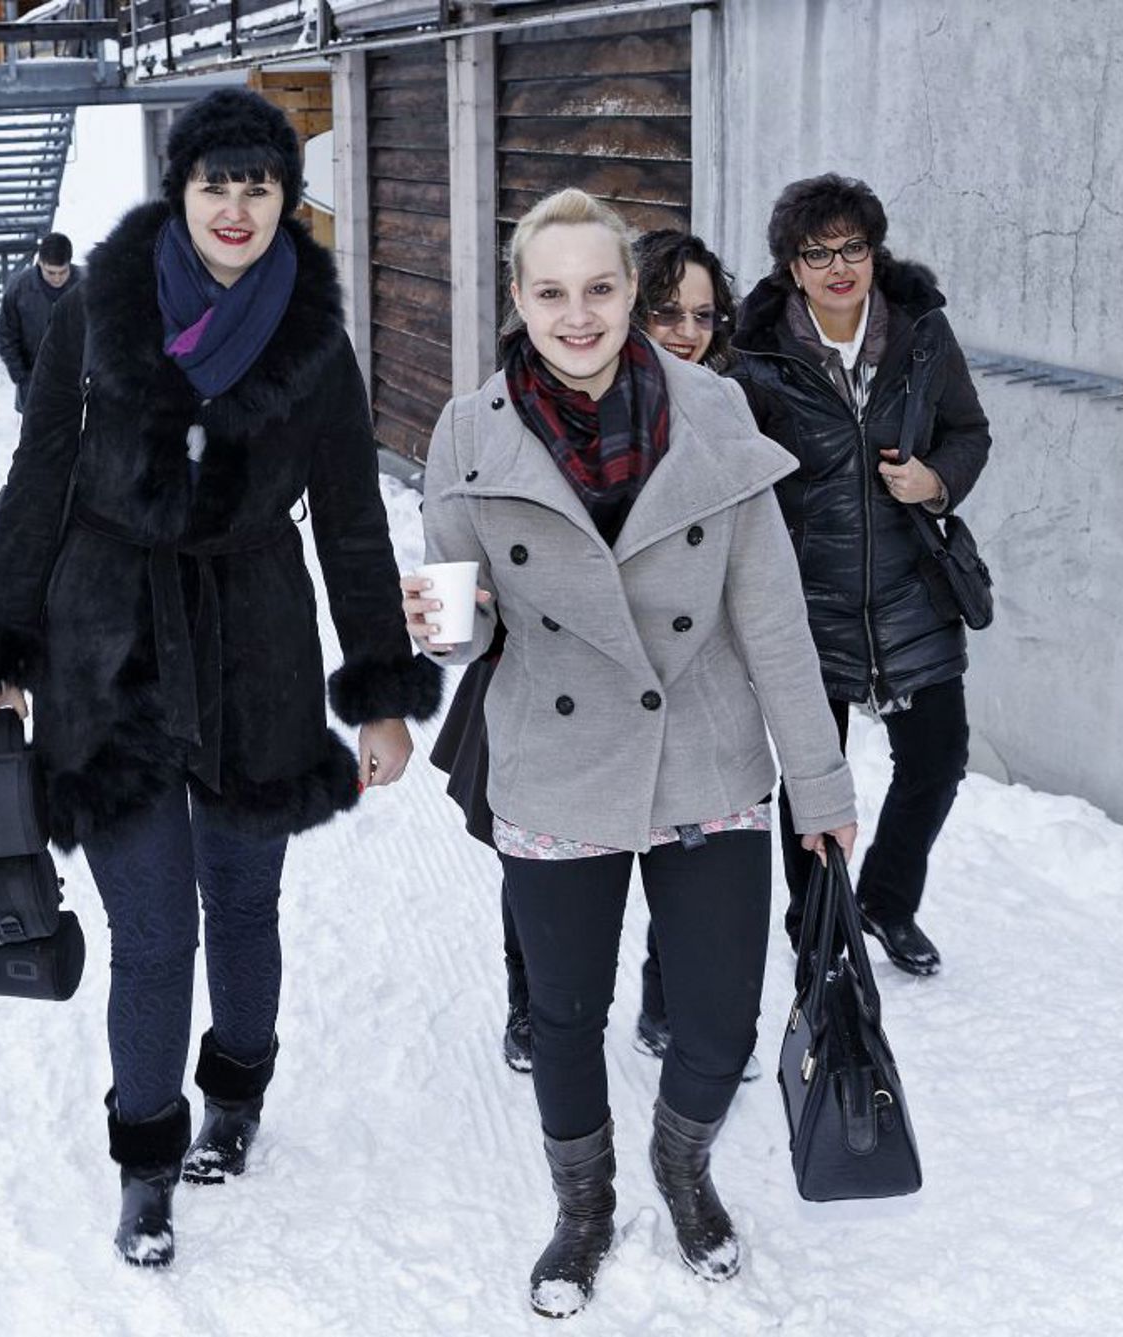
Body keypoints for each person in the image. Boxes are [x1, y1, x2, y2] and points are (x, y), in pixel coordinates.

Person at [0, 88, 440, 1269]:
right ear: (181, 189)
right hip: (107, 643)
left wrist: (378, 690)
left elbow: (351, 521)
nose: (234, 206)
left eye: (257, 185)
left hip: (255, 644)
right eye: (215, 182)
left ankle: (238, 1093)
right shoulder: (100, 306)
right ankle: (145, 1161)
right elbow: (39, 476)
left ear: (284, 198)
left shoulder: (313, 336)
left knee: (244, 903)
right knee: (154, 928)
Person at [405, 188, 857, 1318]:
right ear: (517, 299)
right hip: (557, 765)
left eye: (599, 288)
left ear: (629, 292)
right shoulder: (468, 431)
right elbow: (466, 628)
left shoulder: (713, 411)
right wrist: (442, 624)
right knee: (563, 1016)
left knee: (718, 1020)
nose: (578, 314)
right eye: (552, 291)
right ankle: (584, 1203)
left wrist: (820, 783)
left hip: (704, 754)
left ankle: (682, 1163)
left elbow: (772, 617)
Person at [460, 229, 762, 1079]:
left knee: (685, 850)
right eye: (668, 311)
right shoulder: (499, 417)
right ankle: (535, 998)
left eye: (704, 315)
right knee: (540, 856)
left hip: (677, 684)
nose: (686, 331)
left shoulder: (719, 411)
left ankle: (670, 1002)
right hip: (546, 675)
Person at [729, 174, 991, 977]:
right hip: (806, 597)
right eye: (818, 253)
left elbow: (969, 430)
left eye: (853, 247)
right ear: (792, 266)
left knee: (938, 758)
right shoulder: (757, 357)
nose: (839, 266)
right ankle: (817, 928)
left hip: (912, 588)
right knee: (815, 777)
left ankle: (885, 900)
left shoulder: (922, 333)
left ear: (874, 252)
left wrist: (935, 480)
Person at [0, 232, 82, 413]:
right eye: (51, 272)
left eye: (62, 272)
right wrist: (22, 377)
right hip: (33, 385)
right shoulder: (19, 288)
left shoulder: (87, 285)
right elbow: (6, 336)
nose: (57, 278)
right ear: (40, 263)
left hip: (77, 385)